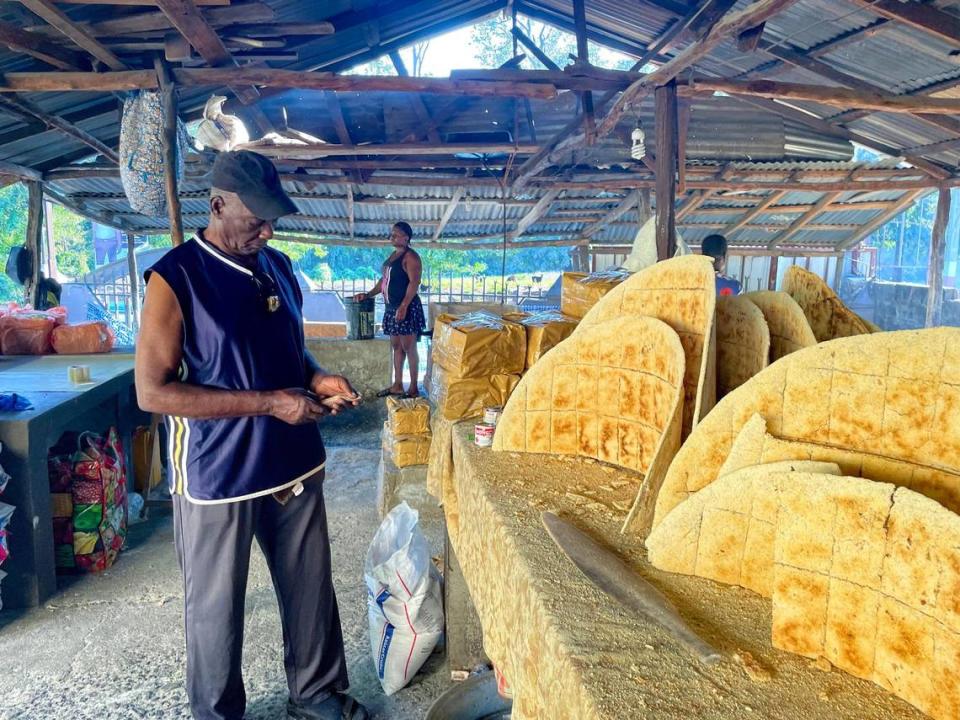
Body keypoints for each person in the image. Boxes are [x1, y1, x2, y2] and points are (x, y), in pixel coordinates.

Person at [135, 150, 369, 720]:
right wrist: (270, 402)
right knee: (216, 608)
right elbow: (154, 393)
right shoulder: (175, 278)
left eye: (272, 220)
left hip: (293, 459)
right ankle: (217, 713)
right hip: (221, 474)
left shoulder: (279, 265)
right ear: (217, 206)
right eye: (254, 219)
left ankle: (316, 695)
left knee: (310, 586)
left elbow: (286, 349)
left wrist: (315, 376)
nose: (266, 230)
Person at [353, 221, 425, 398]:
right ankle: (398, 385)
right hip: (392, 308)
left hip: (406, 308)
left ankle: (413, 387)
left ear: (406, 238)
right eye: (391, 234)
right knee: (397, 346)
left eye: (395, 234)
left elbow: (414, 283)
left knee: (409, 347)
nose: (391, 237)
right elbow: (383, 281)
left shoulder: (411, 257)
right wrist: (368, 294)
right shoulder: (393, 256)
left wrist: (404, 306)